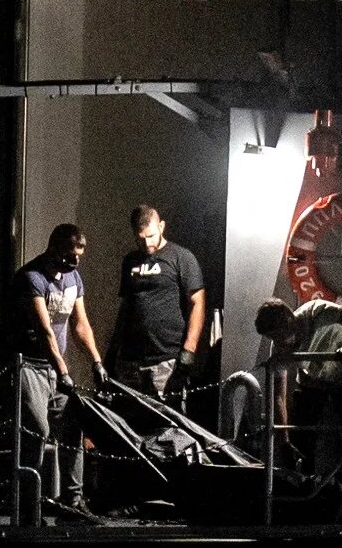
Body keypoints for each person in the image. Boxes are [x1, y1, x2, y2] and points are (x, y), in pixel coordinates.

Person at [11, 223, 106, 519]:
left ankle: (72, 501)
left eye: (79, 254)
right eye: (69, 254)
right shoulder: (31, 277)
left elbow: (80, 324)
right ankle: (29, 504)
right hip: (29, 366)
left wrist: (96, 361)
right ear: (53, 249)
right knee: (37, 429)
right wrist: (64, 371)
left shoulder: (73, 278)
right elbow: (45, 331)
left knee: (73, 425)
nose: (74, 260)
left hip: (54, 370)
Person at [254, 296, 342, 486]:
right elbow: (278, 395)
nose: (279, 341)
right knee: (300, 436)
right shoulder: (278, 347)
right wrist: (284, 441)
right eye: (272, 337)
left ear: (289, 318)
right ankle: (305, 488)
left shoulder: (317, 310)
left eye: (279, 334)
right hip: (314, 380)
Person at [110, 204, 206, 403]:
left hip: (165, 359)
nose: (146, 244)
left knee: (167, 424)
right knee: (130, 423)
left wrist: (189, 351)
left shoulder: (181, 258)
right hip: (131, 360)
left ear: (161, 227)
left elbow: (197, 303)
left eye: (151, 236)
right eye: (140, 238)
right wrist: (112, 352)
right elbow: (127, 307)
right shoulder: (130, 261)